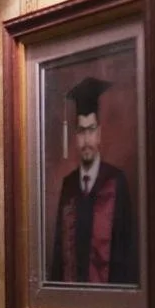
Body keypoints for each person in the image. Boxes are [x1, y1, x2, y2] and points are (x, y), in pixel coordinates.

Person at [48, 76, 140, 285]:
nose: (86, 140)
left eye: (91, 130)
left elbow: (127, 252)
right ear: (75, 135)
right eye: (81, 131)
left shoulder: (116, 181)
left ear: (99, 133)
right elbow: (58, 254)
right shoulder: (68, 185)